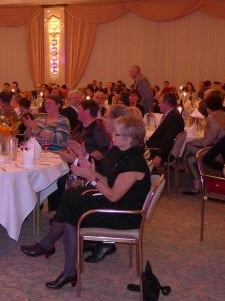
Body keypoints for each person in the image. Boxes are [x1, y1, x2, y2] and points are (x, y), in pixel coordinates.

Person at [21, 115, 151, 289]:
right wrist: (88, 167)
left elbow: (113, 195)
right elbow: (109, 180)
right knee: (71, 197)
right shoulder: (125, 154)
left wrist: (90, 177)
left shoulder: (133, 163)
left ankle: (56, 256)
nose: (113, 136)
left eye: (117, 134)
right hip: (118, 204)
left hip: (123, 215)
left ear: (128, 139)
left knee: (72, 204)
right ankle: (57, 255)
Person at [183, 92, 225, 194]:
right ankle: (197, 178)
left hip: (217, 153)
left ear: (208, 106)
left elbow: (206, 142)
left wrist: (192, 141)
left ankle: (197, 184)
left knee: (187, 148)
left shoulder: (212, 118)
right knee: (190, 155)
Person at [145, 92, 184, 168]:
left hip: (157, 151)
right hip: (157, 148)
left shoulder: (173, 117)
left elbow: (169, 139)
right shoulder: (173, 114)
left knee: (133, 152)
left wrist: (159, 155)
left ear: (166, 104)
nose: (158, 105)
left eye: (160, 103)